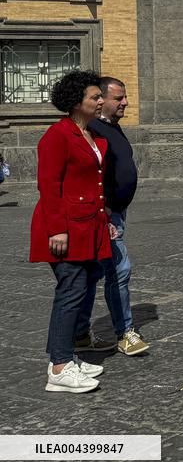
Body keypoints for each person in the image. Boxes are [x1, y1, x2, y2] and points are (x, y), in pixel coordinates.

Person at [30, 70, 112, 393]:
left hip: (89, 225)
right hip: (64, 227)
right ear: (77, 102)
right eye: (95, 97)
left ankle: (64, 356)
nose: (101, 100)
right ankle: (60, 367)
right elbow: (49, 185)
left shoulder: (92, 134)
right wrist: (57, 230)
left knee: (80, 286)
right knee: (71, 290)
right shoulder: (58, 135)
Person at [81, 77, 149, 356]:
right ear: (101, 98)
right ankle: (125, 332)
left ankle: (79, 334)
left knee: (94, 272)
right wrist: (105, 213)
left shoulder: (111, 128)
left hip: (115, 213)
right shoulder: (92, 130)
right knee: (118, 271)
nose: (125, 103)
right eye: (118, 98)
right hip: (105, 216)